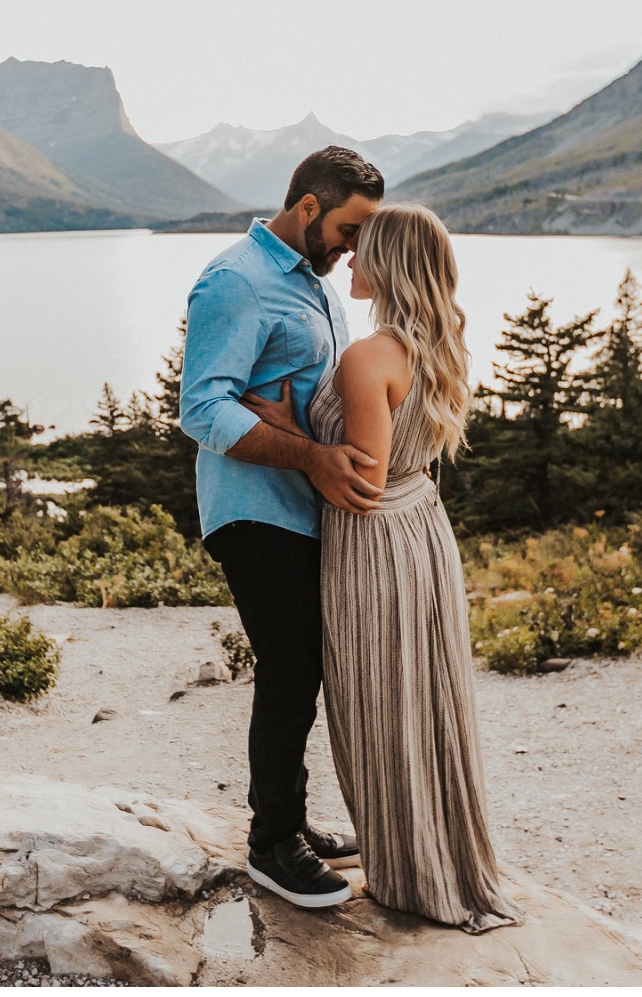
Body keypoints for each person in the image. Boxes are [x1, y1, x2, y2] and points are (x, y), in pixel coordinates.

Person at [247, 204, 517, 933]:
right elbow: (407, 464)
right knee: (421, 698)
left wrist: (283, 432)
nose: (349, 261)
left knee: (383, 703)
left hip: (375, 546)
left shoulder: (369, 358)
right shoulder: (438, 344)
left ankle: (411, 874)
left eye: (363, 251)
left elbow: (361, 484)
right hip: (422, 529)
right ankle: (432, 851)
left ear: (392, 263)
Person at [177, 145, 387, 909]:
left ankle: (288, 818)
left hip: (303, 503)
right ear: (308, 209)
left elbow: (319, 388)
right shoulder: (236, 282)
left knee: (307, 668)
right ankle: (272, 847)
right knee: (291, 668)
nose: (356, 247)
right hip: (252, 509)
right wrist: (310, 455)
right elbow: (202, 408)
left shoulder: (315, 282)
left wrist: (318, 440)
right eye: (350, 229)